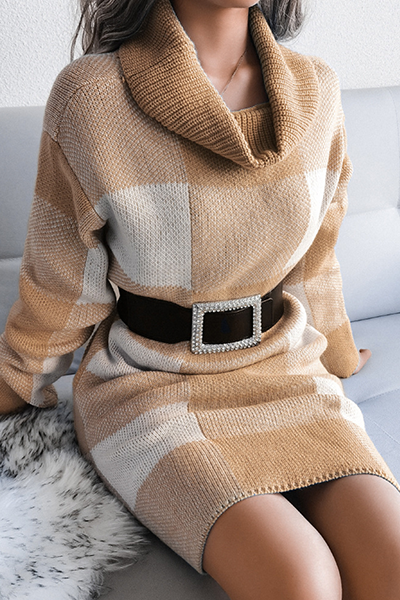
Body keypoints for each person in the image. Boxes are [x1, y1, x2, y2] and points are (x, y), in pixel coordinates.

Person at [1, 0, 400, 598]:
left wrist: (338, 355)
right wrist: (13, 380)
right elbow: (61, 286)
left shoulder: (315, 87)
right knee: (302, 581)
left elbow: (316, 258)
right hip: (150, 387)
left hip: (285, 372)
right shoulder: (92, 97)